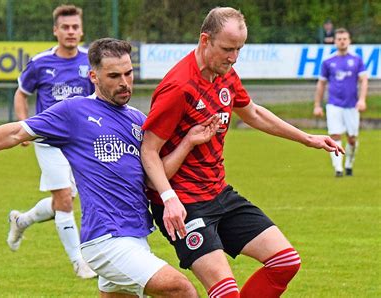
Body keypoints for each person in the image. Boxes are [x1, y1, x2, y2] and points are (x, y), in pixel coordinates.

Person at [0, 38, 221, 297]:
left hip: (136, 236)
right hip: (107, 240)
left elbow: (155, 179)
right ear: (93, 76)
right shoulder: (74, 112)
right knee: (181, 290)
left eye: (128, 73)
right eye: (114, 75)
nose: (124, 83)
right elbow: (15, 132)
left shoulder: (137, 120)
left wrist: (188, 143)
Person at [140, 7, 344, 298]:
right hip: (184, 204)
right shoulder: (178, 87)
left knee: (285, 262)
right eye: (227, 49)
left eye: (239, 49)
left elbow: (254, 113)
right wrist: (169, 199)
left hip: (219, 193)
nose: (233, 58)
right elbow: (149, 151)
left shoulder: (226, 74)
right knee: (225, 292)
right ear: (204, 40)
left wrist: (307, 138)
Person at [9, 4, 96, 278]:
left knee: (63, 201)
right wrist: (23, 127)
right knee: (65, 200)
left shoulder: (89, 62)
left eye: (75, 27)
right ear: (55, 31)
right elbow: (21, 94)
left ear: (81, 31)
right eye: (65, 27)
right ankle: (79, 262)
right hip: (48, 140)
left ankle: (21, 220)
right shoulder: (40, 63)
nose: (70, 32)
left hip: (80, 142)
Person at [314, 28, 368, 177]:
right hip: (334, 105)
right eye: (339, 39)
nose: (342, 41)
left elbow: (363, 80)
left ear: (349, 41)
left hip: (351, 105)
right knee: (335, 136)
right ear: (335, 41)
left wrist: (362, 99)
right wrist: (317, 105)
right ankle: (338, 168)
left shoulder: (357, 60)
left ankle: (349, 164)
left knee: (351, 139)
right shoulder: (328, 61)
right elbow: (321, 83)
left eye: (345, 38)